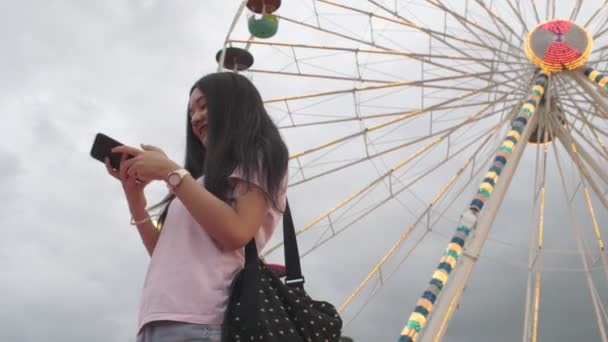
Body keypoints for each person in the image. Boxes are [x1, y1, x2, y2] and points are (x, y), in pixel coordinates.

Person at [105, 72, 289, 342]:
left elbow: (237, 232)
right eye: (191, 112)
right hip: (157, 319)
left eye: (204, 106)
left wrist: (171, 172)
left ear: (233, 104)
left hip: (205, 320)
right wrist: (136, 202)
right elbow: (163, 252)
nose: (195, 118)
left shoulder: (258, 154)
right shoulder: (196, 182)